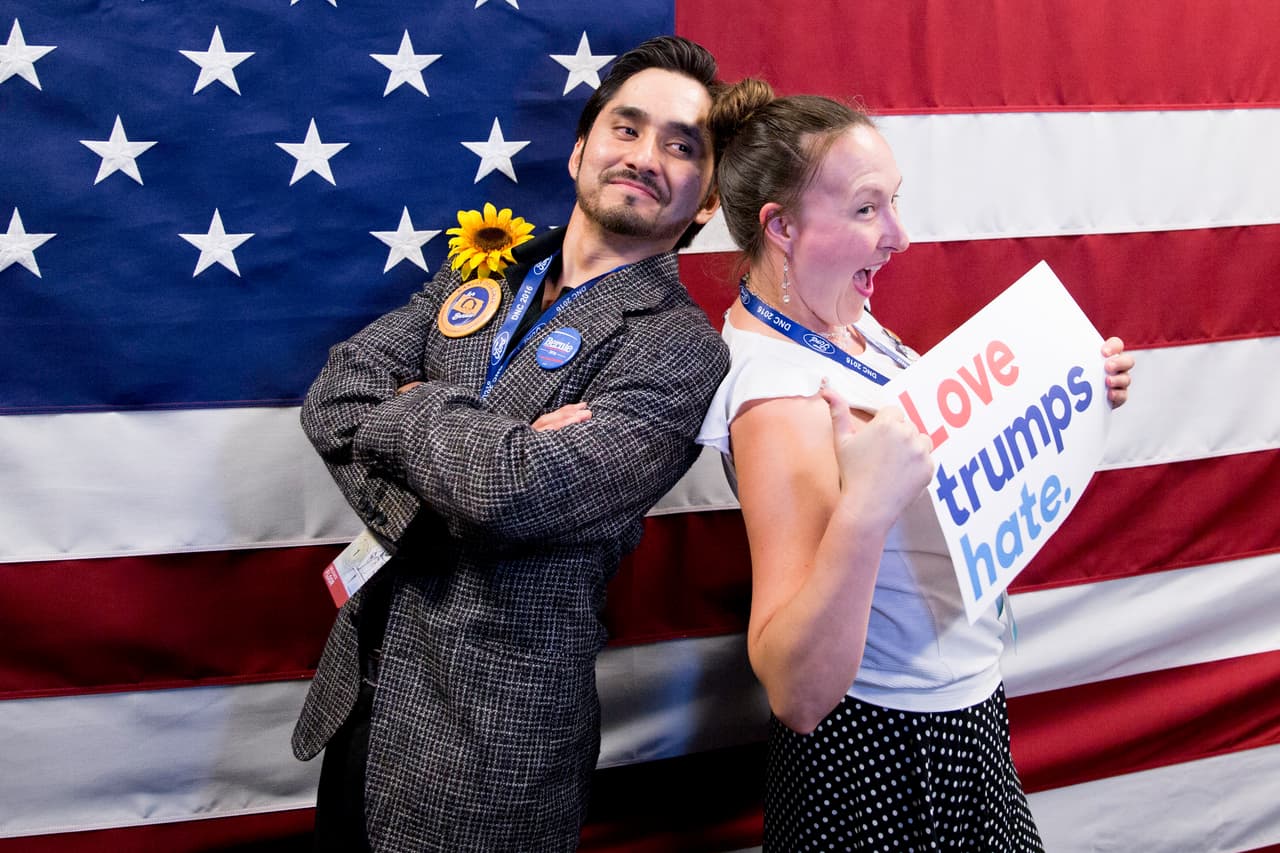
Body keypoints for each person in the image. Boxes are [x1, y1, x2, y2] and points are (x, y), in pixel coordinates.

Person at [293, 36, 743, 852]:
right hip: (358, 698)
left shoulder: (683, 349)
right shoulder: (487, 277)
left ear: (707, 200)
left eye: (683, 147)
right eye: (626, 128)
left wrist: (419, 409)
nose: (645, 157)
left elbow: (514, 493)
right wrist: (488, 452)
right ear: (580, 147)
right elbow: (334, 394)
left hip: (488, 754)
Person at [696, 81, 1135, 851]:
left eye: (894, 200)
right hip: (884, 754)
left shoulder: (843, 318)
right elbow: (798, 692)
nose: (900, 234)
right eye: (867, 209)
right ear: (783, 228)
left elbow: (942, 450)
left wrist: (1069, 389)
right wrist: (865, 504)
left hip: (963, 716)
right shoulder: (779, 397)